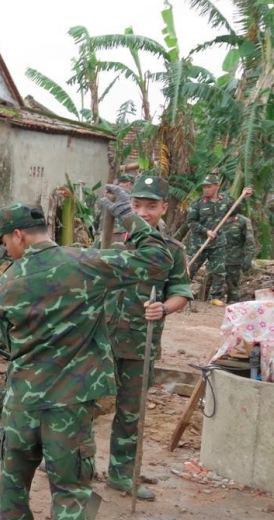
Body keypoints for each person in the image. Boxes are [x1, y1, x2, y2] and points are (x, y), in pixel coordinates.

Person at [0, 189, 173, 520]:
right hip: (69, 407)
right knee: (70, 495)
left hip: (20, 407)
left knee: (12, 495)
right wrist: (127, 215)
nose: (6, 250)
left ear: (18, 236)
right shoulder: (86, 263)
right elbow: (158, 260)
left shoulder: (7, 281)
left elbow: (7, 344)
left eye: (5, 243)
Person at [96, 175, 193, 501]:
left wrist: (163, 309)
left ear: (165, 208)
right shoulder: (110, 244)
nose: (144, 212)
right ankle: (72, 466)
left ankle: (122, 474)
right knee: (81, 405)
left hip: (141, 343)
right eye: (136, 205)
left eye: (151, 206)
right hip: (101, 341)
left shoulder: (170, 251)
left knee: (130, 413)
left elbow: (181, 292)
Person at [186, 174, 252, 306]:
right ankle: (182, 293)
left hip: (218, 243)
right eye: (204, 187)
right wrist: (206, 231)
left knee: (219, 271)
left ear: (217, 186)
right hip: (199, 244)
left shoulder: (226, 201)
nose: (206, 189)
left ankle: (215, 296)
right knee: (191, 269)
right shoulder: (197, 204)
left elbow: (235, 210)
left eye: (209, 187)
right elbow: (191, 222)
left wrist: (243, 197)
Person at [218, 206, 256, 304]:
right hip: (217, 257)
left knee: (233, 283)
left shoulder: (243, 221)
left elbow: (250, 241)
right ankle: (209, 299)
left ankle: (233, 303)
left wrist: (248, 258)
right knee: (212, 279)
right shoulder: (218, 219)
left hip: (234, 257)